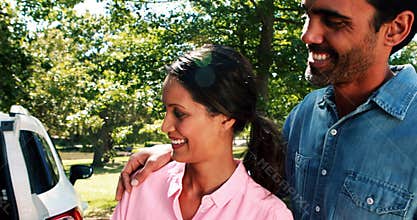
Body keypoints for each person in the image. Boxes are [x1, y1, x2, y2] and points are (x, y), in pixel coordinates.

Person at [116, 0, 417, 219]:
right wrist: (173, 153)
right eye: (307, 15)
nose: (307, 35)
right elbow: (243, 180)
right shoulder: (304, 116)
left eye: (334, 21)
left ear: (396, 29)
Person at [112, 45, 293, 220]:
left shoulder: (268, 214)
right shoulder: (142, 185)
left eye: (179, 113)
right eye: (166, 110)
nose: (165, 126)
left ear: (226, 118)